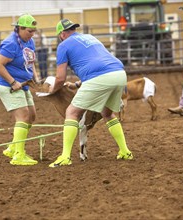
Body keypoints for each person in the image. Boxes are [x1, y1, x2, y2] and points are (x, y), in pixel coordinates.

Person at [48, 18, 133, 168]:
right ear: (74, 29)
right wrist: (77, 84)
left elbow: (60, 78)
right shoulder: (90, 37)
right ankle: (125, 151)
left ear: (61, 34)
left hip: (100, 78)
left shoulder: (63, 45)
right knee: (107, 113)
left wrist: (51, 91)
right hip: (119, 73)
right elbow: (99, 63)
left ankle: (65, 157)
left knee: (72, 112)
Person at [0, 14, 40, 166]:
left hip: (23, 83)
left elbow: (31, 62)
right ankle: (19, 155)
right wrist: (12, 82)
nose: (32, 34)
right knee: (23, 116)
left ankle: (13, 147)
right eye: (29, 31)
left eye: (34, 31)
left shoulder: (29, 41)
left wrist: (35, 77)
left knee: (31, 116)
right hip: (8, 85)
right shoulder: (10, 44)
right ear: (19, 28)